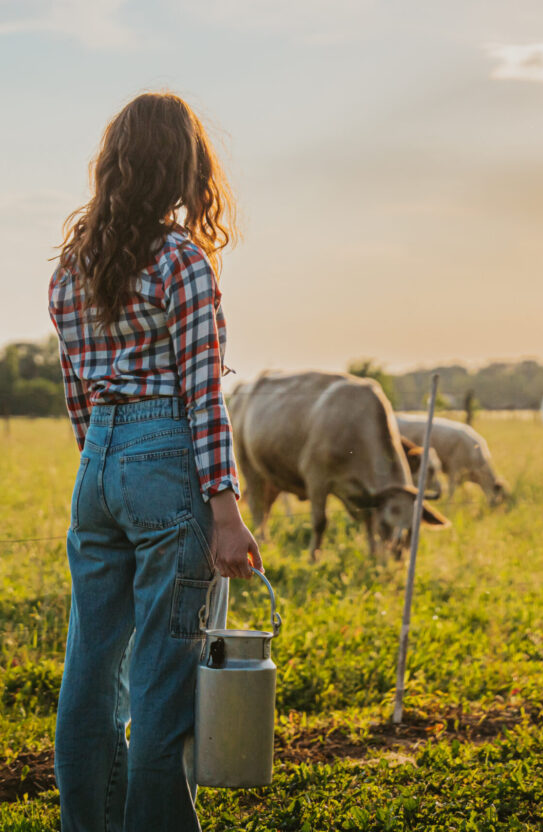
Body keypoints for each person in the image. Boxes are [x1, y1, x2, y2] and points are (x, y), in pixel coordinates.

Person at [48, 92, 262, 832]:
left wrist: (104, 473)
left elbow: (79, 396)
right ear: (183, 167)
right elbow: (203, 396)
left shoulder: (69, 270)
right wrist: (226, 511)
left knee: (90, 669)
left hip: (96, 467)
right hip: (164, 457)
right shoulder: (182, 261)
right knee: (164, 679)